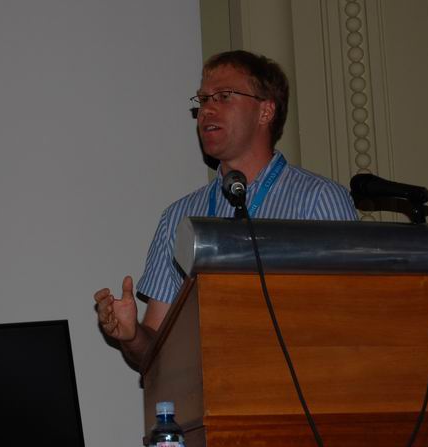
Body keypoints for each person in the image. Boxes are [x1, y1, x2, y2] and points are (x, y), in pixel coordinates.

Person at [94, 50, 358, 369]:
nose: (207, 110)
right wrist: (132, 335)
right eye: (203, 99)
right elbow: (155, 351)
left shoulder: (318, 199)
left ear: (265, 111)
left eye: (223, 96)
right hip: (210, 396)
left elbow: (353, 321)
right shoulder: (178, 217)